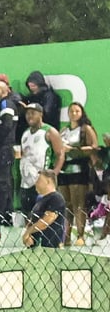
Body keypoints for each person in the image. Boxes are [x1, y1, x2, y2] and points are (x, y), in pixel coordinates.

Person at [58, 102, 99, 246]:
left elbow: (94, 147)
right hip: (64, 170)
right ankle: (66, 236)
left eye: (77, 111)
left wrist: (74, 149)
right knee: (66, 204)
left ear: (82, 113)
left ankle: (81, 235)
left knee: (78, 204)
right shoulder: (64, 130)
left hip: (79, 170)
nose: (74, 113)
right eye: (71, 111)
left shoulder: (86, 129)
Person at [0, 77, 22, 226]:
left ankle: (3, 216)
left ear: (3, 91)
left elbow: (7, 126)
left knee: (2, 184)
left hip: (3, 149)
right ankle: (4, 215)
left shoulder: (6, 104)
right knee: (1, 183)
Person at [19, 103, 64, 216]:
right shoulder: (25, 133)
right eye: (27, 113)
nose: (29, 116)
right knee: (28, 214)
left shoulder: (49, 131)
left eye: (33, 113)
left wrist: (54, 174)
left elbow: (60, 154)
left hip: (42, 181)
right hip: (26, 181)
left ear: (41, 114)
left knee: (43, 215)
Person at [22, 169, 66, 249]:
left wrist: (28, 232)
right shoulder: (40, 200)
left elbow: (46, 221)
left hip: (51, 247)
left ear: (48, 181)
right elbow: (33, 220)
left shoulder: (56, 198)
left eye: (39, 180)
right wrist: (28, 236)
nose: (36, 183)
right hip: (37, 246)